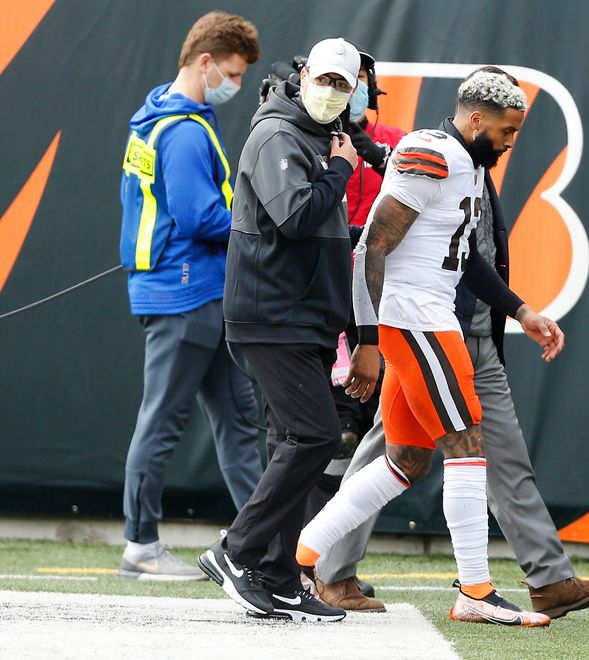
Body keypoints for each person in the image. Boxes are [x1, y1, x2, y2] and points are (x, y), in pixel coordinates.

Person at [312, 66, 589, 618]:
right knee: (461, 447)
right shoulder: (434, 152)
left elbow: (464, 256)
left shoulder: (466, 160)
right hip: (422, 324)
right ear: (476, 117)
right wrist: (368, 338)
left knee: (411, 459)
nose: (509, 143)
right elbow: (372, 249)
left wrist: (518, 309)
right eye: (507, 131)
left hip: (453, 327)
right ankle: (471, 593)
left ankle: (296, 555)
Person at [197, 37, 361, 623]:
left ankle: (278, 574)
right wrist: (342, 168)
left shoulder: (319, 137)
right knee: (315, 437)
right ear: (303, 76)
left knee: (290, 443)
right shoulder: (276, 134)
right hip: (272, 314)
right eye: (325, 80)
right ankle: (235, 550)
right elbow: (295, 217)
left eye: (344, 85)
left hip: (305, 317)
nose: (332, 93)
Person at [117, 11, 262, 581]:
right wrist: (262, 224)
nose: (235, 85)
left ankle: (264, 546)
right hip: (186, 294)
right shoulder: (180, 129)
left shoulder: (161, 117)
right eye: (231, 73)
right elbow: (200, 216)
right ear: (205, 62)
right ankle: (140, 547)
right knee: (164, 421)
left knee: (237, 421)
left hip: (189, 291)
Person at [307, 48, 406, 522]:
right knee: (319, 426)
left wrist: (370, 150)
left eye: (361, 80)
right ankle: (301, 546)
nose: (353, 89)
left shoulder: (395, 142)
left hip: (377, 293)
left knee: (364, 426)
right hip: (321, 287)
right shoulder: (310, 137)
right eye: (346, 80)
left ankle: (334, 555)